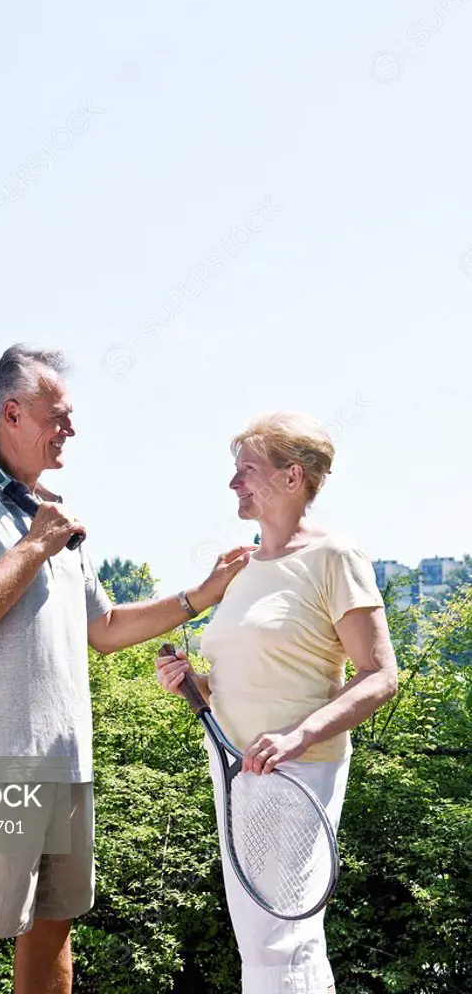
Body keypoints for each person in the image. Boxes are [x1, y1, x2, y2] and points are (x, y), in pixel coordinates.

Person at [0, 343, 255, 994]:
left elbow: (103, 628)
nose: (71, 428)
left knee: (53, 929)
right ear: (11, 413)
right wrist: (37, 545)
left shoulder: (51, 513)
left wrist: (199, 596)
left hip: (65, 768)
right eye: (58, 415)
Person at [155, 411, 398, 994]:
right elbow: (245, 677)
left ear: (293, 477)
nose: (233, 484)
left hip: (298, 768)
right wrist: (195, 682)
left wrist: (298, 736)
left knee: (284, 941)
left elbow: (380, 674)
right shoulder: (239, 570)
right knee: (258, 940)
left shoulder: (334, 557)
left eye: (247, 471)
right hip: (235, 767)